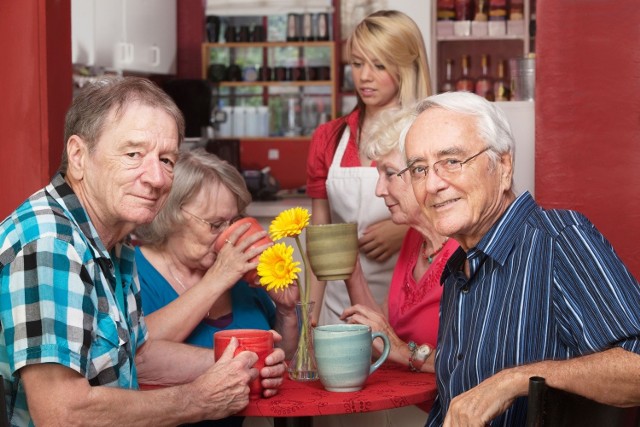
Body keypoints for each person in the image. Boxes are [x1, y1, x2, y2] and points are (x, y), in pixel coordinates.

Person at [0, 76, 286, 426]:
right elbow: (63, 413)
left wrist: (240, 365)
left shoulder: (113, 242)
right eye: (133, 154)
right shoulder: (51, 244)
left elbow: (138, 354)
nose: (157, 178)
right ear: (78, 156)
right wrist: (197, 400)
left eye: (167, 160)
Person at [402, 91, 640, 426]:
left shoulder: (558, 239)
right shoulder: (461, 270)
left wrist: (515, 381)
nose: (432, 184)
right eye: (418, 169)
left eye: (452, 161)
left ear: (503, 164)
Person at [133, 149, 299, 426]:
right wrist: (217, 278)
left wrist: (286, 311)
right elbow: (135, 354)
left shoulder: (243, 276)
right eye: (215, 224)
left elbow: (285, 359)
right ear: (170, 214)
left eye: (233, 221)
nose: (228, 235)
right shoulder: (134, 274)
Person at [306, 9, 432, 326]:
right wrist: (307, 323)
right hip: (339, 308)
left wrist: (405, 229)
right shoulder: (329, 138)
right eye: (358, 63)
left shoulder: (428, 131)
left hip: (409, 307)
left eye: (379, 65)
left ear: (406, 67)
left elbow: (457, 223)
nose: (364, 76)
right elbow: (319, 238)